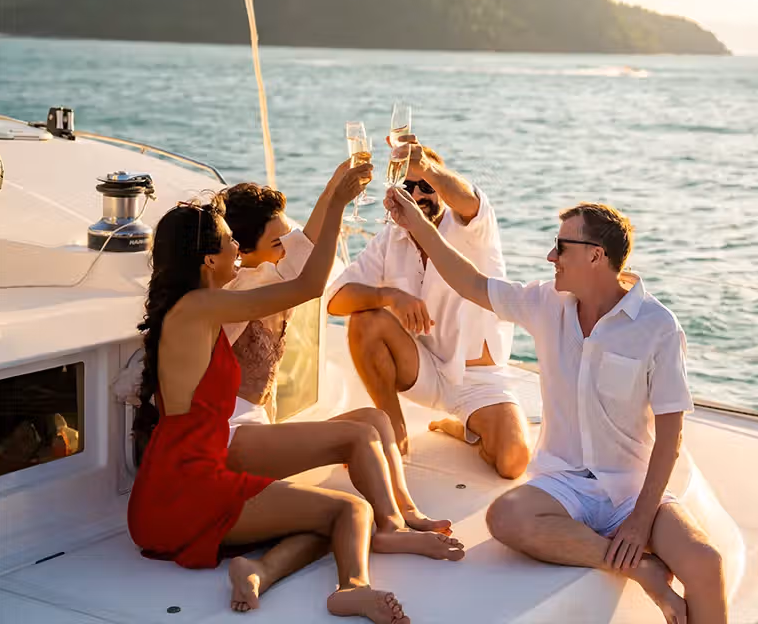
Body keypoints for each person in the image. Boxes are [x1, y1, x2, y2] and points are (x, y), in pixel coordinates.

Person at [383, 189, 730, 624]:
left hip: (631, 490)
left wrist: (640, 522)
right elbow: (470, 282)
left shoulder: (657, 327)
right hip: (564, 484)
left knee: (705, 563)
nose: (551, 256)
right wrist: (415, 223)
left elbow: (670, 438)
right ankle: (643, 570)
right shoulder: (546, 303)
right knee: (505, 516)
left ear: (596, 256)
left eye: (562, 246)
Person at [128, 161, 415, 622]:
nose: (238, 252)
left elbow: (296, 259)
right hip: (188, 492)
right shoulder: (202, 307)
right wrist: (338, 203)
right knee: (353, 511)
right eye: (230, 244)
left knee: (324, 520)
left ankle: (258, 570)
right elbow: (309, 284)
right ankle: (352, 589)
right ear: (208, 261)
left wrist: (330, 194)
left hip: (176, 490)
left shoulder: (196, 309)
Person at [216, 175, 460, 545]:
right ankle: (390, 529)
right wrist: (337, 201)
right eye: (277, 243)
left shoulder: (266, 272)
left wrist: (337, 185)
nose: (289, 247)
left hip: (257, 428)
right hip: (231, 434)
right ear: (243, 251)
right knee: (359, 433)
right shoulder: (242, 291)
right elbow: (310, 266)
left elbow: (304, 245)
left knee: (376, 419)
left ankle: (408, 510)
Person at [328, 136, 531, 479]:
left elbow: (467, 198)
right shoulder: (392, 238)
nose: (419, 195)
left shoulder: (471, 225)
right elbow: (335, 300)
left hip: (478, 380)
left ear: (439, 187)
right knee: (366, 319)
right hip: (422, 368)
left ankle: (462, 427)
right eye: (409, 187)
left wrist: (428, 168)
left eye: (426, 186)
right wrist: (389, 296)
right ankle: (395, 431)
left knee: (513, 462)